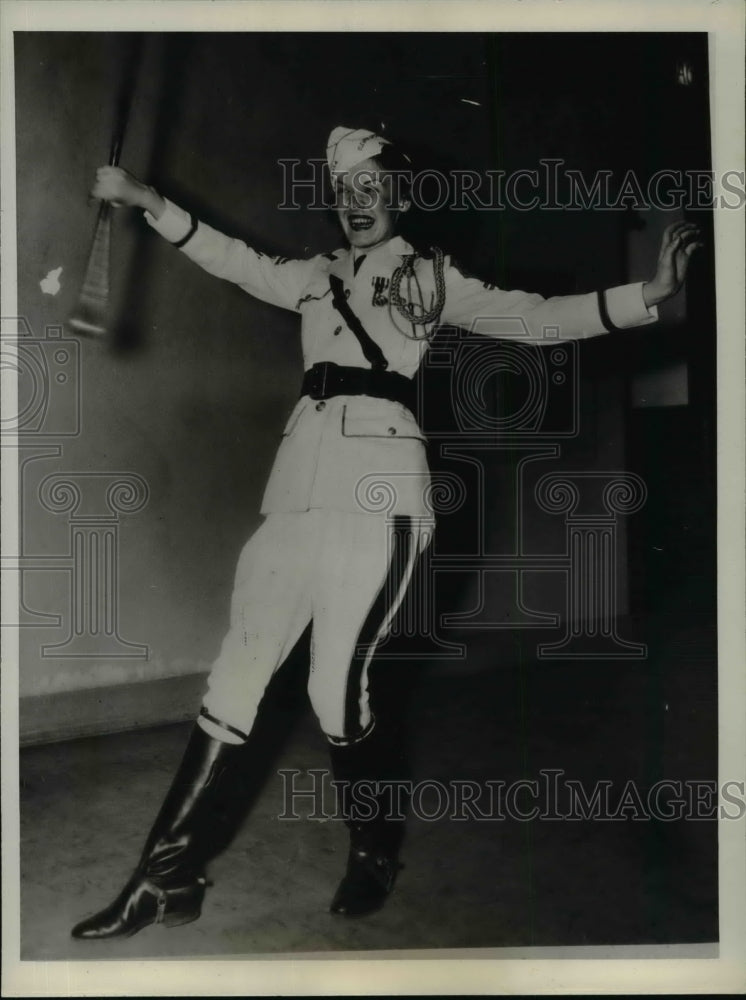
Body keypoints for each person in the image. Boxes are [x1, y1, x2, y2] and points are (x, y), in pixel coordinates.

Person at [71, 126, 701, 939]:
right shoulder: (313, 276)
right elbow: (232, 258)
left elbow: (536, 318)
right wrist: (147, 201)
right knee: (235, 678)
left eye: (372, 188)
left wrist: (646, 292)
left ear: (398, 197)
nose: (357, 203)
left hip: (382, 499)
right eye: (344, 191)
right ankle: (164, 879)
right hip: (294, 495)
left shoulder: (433, 278)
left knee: (337, 696)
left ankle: (372, 850)